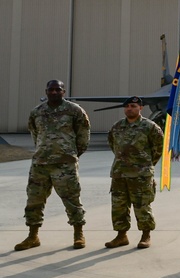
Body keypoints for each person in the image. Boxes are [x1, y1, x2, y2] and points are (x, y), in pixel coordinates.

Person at [15, 80, 91, 251]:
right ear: (46, 91)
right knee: (34, 200)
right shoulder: (37, 112)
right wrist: (44, 151)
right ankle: (32, 236)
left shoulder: (74, 110)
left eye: (58, 89)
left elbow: (83, 135)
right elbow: (35, 134)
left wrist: (72, 155)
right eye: (51, 89)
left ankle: (78, 234)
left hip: (65, 165)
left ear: (64, 92)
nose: (54, 92)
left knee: (72, 199)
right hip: (40, 164)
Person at [105, 96, 163, 249]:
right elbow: (113, 145)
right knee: (119, 206)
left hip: (141, 174)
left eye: (133, 106)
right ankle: (121, 236)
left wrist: (146, 165)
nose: (129, 109)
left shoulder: (150, 127)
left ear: (140, 108)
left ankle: (146, 235)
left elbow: (158, 148)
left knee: (142, 205)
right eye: (127, 106)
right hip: (119, 173)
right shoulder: (117, 126)